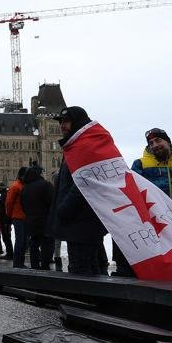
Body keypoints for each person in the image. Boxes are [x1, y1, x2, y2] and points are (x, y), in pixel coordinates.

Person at [47, 106, 107, 275]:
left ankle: (85, 300)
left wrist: (64, 208)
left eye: (66, 121)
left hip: (82, 221)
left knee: (82, 270)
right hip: (80, 222)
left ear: (78, 122)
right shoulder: (75, 145)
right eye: (60, 122)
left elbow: (85, 181)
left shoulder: (84, 145)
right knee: (90, 267)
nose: (61, 126)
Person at [20, 165, 54, 270]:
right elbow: (52, 202)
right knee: (47, 243)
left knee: (34, 243)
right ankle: (45, 264)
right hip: (45, 220)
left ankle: (34, 265)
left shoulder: (25, 188)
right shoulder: (46, 185)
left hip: (31, 220)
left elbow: (23, 205)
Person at [5, 167, 28, 268]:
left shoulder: (24, 185)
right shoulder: (15, 186)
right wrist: (9, 216)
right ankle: (17, 263)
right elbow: (8, 203)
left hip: (25, 217)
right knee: (20, 241)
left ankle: (20, 262)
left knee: (24, 241)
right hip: (18, 217)